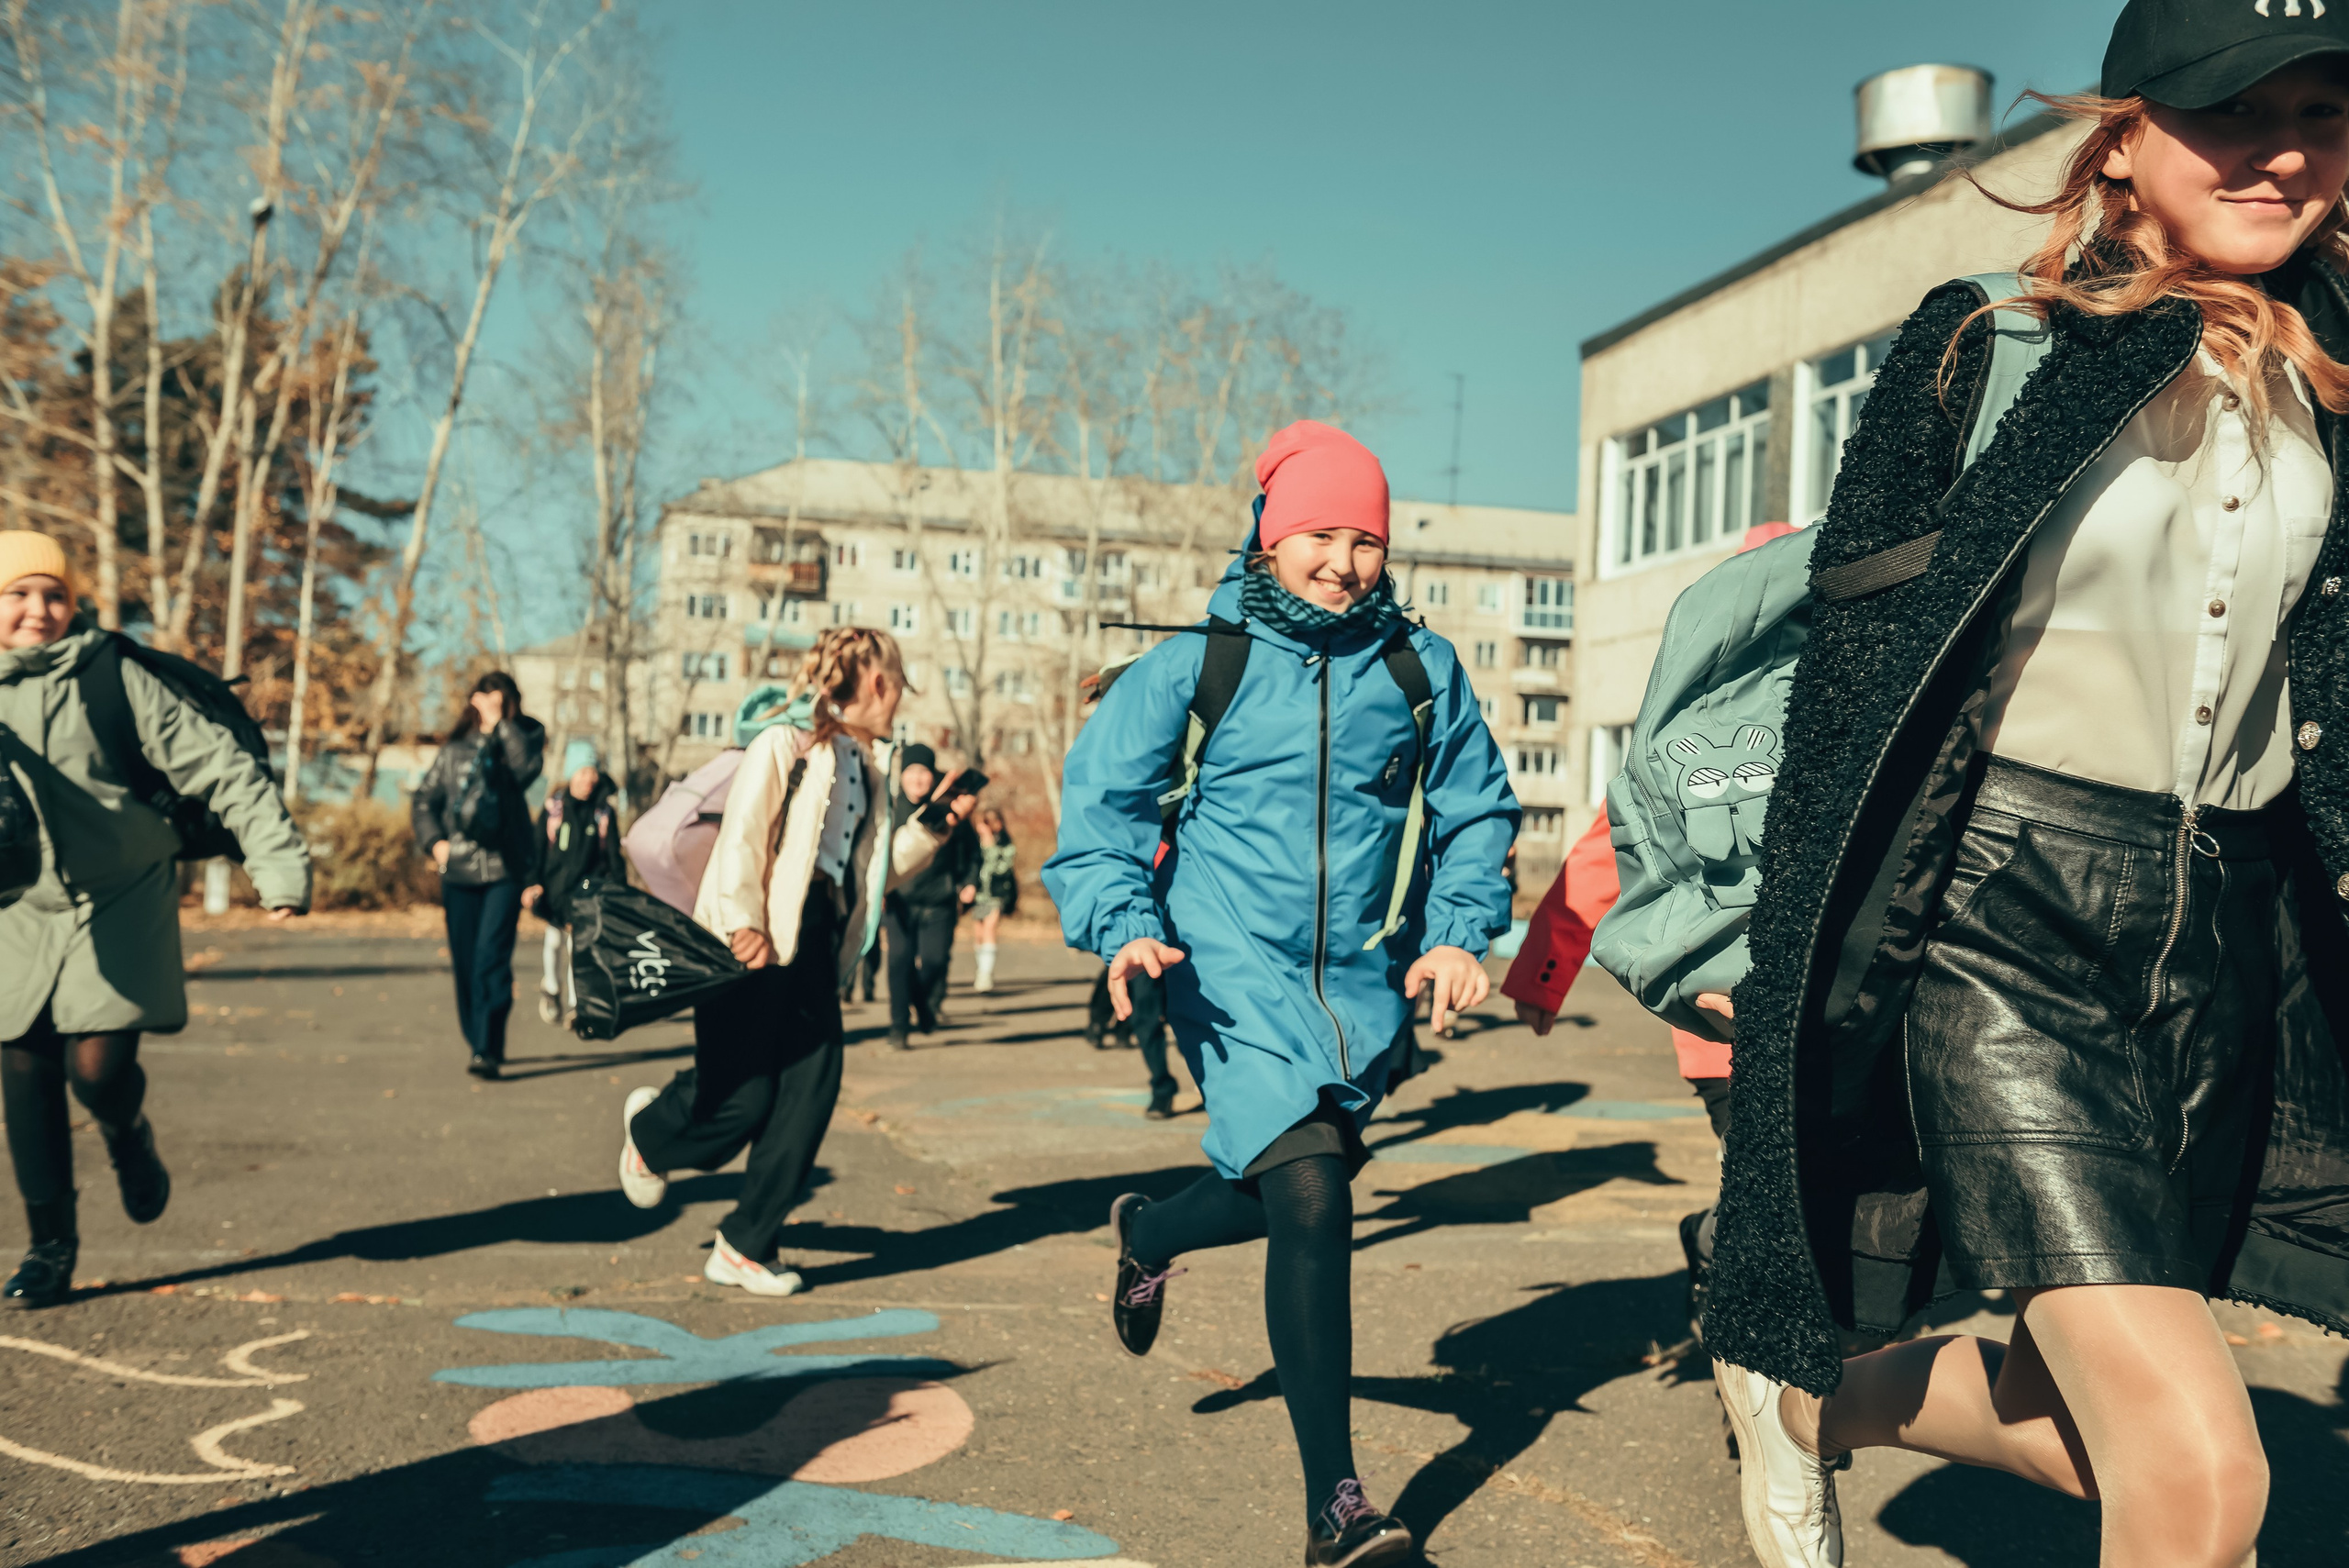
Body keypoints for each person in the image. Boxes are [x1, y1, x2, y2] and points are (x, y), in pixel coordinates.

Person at [1708, 12, 2349, 1565]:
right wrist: (1792, 981)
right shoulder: (1989, 344)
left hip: (2224, 942)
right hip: (2003, 921)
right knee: (2202, 1473)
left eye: (2320, 115)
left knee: (2088, 1438)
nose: (2281, 153)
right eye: (2232, 111)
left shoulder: (2335, 373)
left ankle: (1811, 1406)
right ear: (2123, 138)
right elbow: (1847, 706)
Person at [1047, 420, 1519, 1566]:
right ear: (1270, 537)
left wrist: (1455, 935)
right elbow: (1103, 808)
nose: (1344, 562)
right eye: (1321, 535)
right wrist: (1123, 923)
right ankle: (1336, 1509)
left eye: (1367, 540)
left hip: (1358, 982)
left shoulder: (1418, 668)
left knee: (1295, 1178)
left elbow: (1476, 813)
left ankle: (1150, 1227)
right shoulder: (1198, 664)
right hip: (1220, 966)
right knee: (1310, 1190)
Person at [615, 628, 974, 1296]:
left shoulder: (868, 768)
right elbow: (744, 837)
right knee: (742, 1097)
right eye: (899, 685)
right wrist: (742, 922)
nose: (901, 699)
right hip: (750, 937)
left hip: (816, 939)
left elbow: (870, 874)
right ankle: (653, 1132)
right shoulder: (784, 744)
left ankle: (745, 1244)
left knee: (811, 1091)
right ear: (878, 684)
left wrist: (933, 828)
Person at [0, 532, 309, 1307]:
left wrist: (275, 862)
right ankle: (50, 1248)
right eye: (18, 594)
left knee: (96, 1072)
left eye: (55, 594)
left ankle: (126, 1132)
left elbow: (222, 766)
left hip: (122, 889)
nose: (39, 609)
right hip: (18, 905)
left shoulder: (111, 674)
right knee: (25, 1068)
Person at [411, 672, 545, 1081]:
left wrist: (499, 724)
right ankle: (478, 1040)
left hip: (505, 868)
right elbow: (424, 799)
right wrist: (435, 843)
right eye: (484, 696)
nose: (490, 702)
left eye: (499, 698)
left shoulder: (524, 739)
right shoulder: (454, 751)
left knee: (491, 957)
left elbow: (525, 771)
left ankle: (487, 1046)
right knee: (467, 960)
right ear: (472, 701)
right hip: (459, 869)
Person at [881, 742, 978, 1051]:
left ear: (933, 776)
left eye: (924, 772)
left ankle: (923, 1004)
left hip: (939, 901)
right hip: (899, 901)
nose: (918, 779)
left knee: (935, 962)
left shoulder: (949, 810)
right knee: (899, 963)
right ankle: (898, 1028)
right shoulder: (888, 809)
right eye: (911, 772)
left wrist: (969, 882)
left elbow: (973, 852)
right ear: (902, 776)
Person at [522, 760, 620, 1027]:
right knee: (554, 939)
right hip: (554, 890)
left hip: (586, 891)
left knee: (576, 946)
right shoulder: (553, 809)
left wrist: (618, 891)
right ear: (572, 775)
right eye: (583, 772)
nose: (589, 779)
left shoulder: (603, 813)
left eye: (593, 773)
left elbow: (614, 856)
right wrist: (532, 883)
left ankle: (577, 1004)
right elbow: (536, 849)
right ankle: (552, 989)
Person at [969, 806, 1018, 994]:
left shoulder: (1005, 845)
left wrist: (990, 847)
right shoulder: (974, 844)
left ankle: (985, 973)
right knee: (979, 934)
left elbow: (1001, 868)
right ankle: (981, 967)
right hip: (977, 895)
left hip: (996, 894)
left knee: (990, 929)